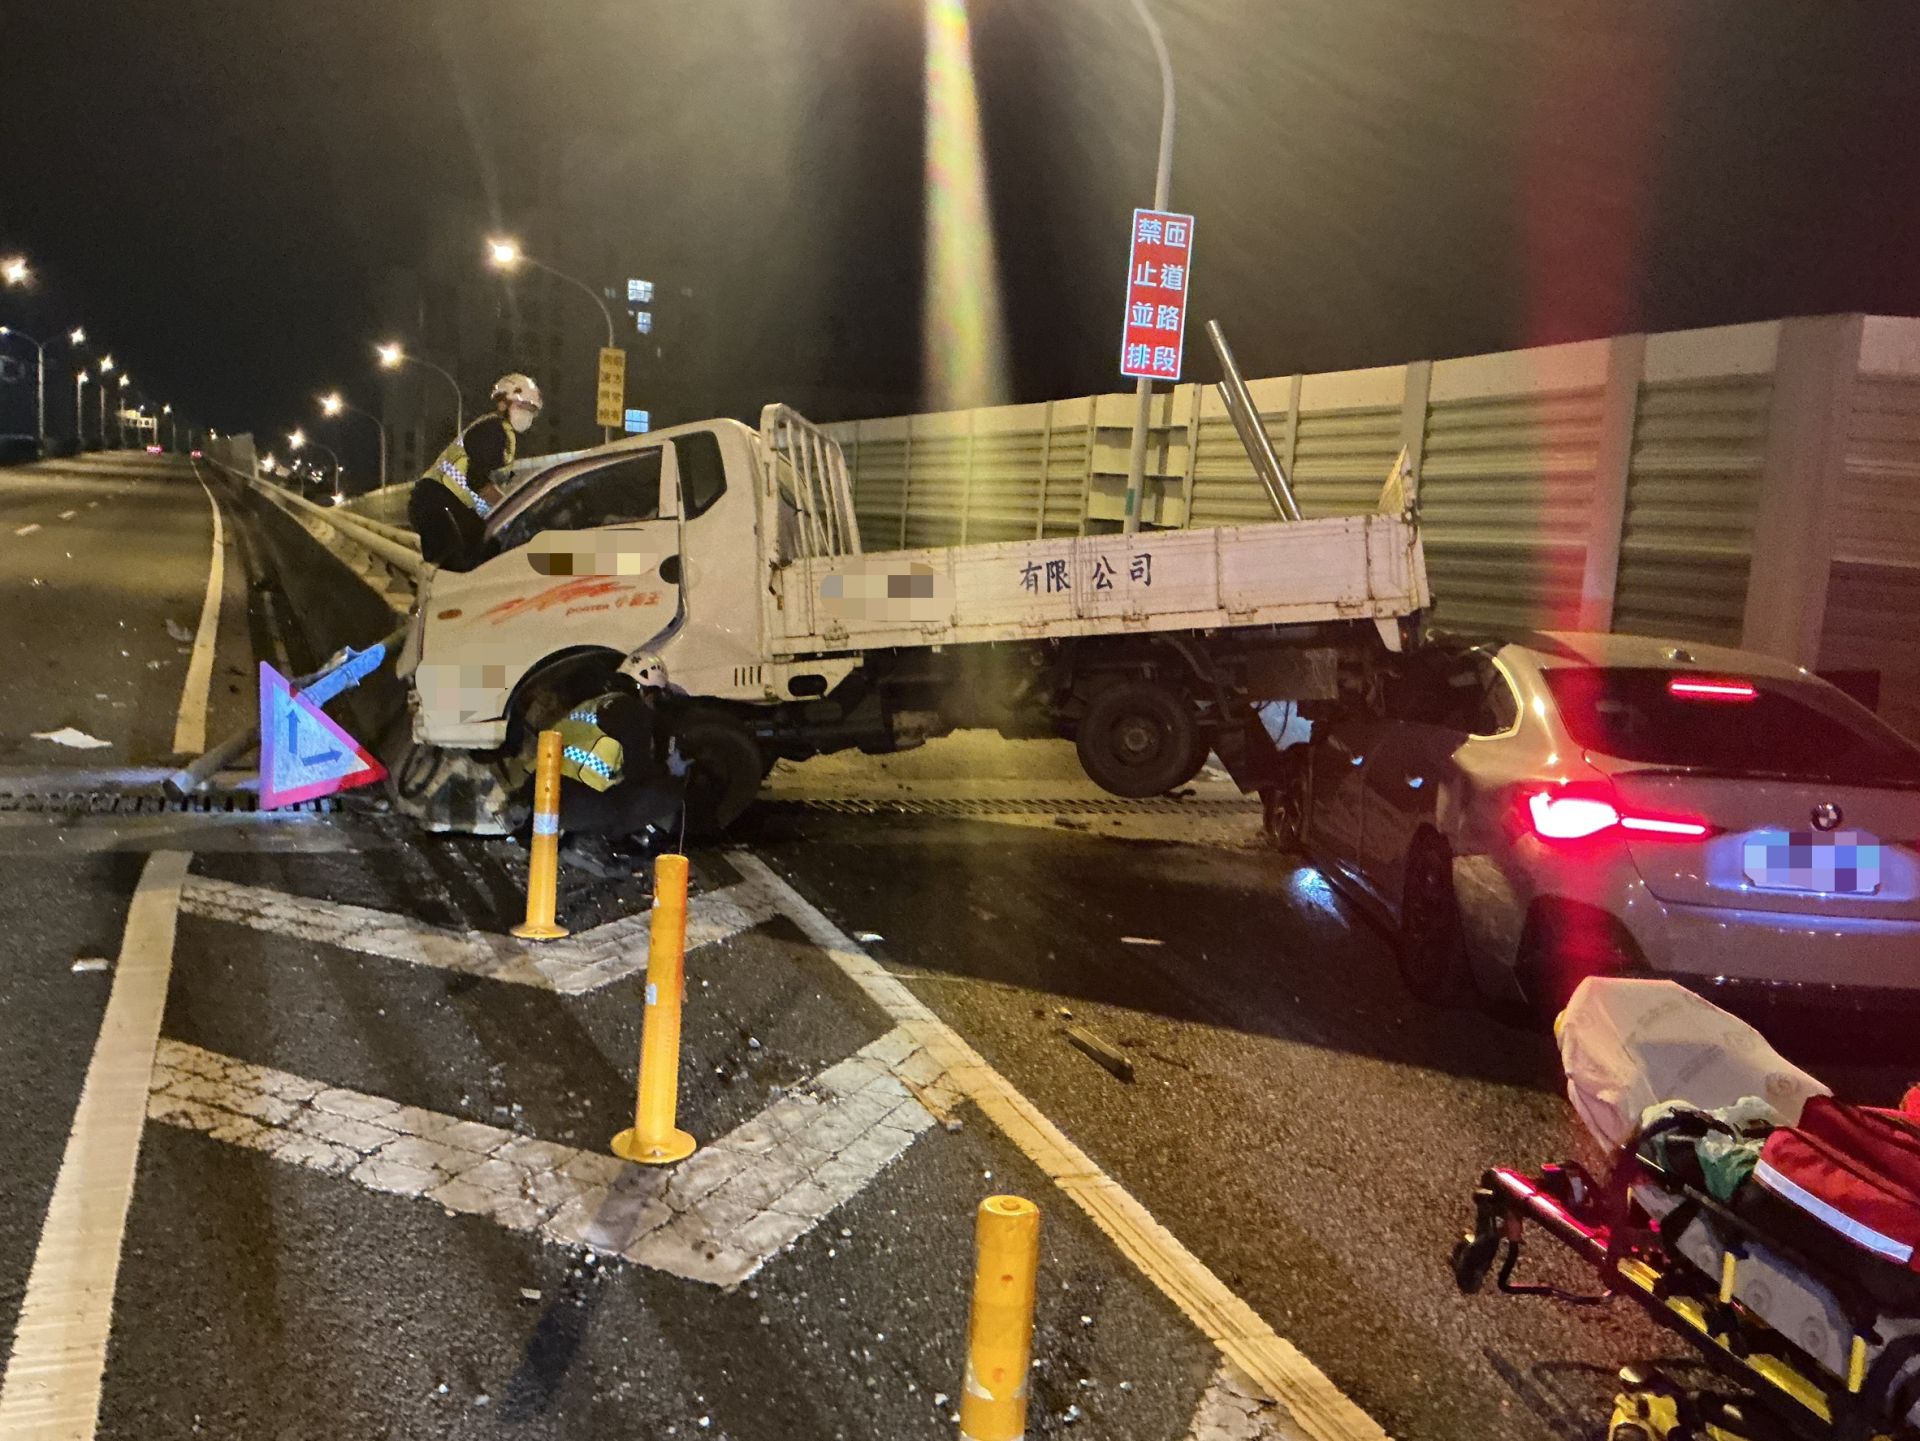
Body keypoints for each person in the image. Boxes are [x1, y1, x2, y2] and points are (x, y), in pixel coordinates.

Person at [549, 654, 689, 876]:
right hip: (569, 808)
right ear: (648, 690)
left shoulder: (595, 704)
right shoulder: (634, 712)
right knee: (667, 794)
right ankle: (588, 842)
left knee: (611, 789)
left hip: (543, 798)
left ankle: (576, 835)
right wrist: (670, 771)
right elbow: (639, 774)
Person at [409, 373, 542, 571]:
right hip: (439, 503)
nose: (526, 414)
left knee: (483, 554)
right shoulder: (493, 429)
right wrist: (510, 509)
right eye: (521, 406)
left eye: (531, 410)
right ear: (502, 404)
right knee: (465, 565)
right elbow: (478, 480)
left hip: (442, 503)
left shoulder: (504, 434)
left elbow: (495, 481)